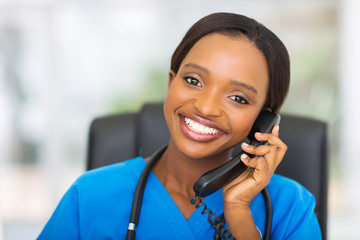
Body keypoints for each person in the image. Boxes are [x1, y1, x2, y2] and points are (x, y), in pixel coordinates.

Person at [38, 12, 321, 239]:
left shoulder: (292, 208)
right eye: (193, 80)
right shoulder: (89, 196)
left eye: (238, 97)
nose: (206, 107)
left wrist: (238, 214)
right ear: (171, 82)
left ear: (263, 119)